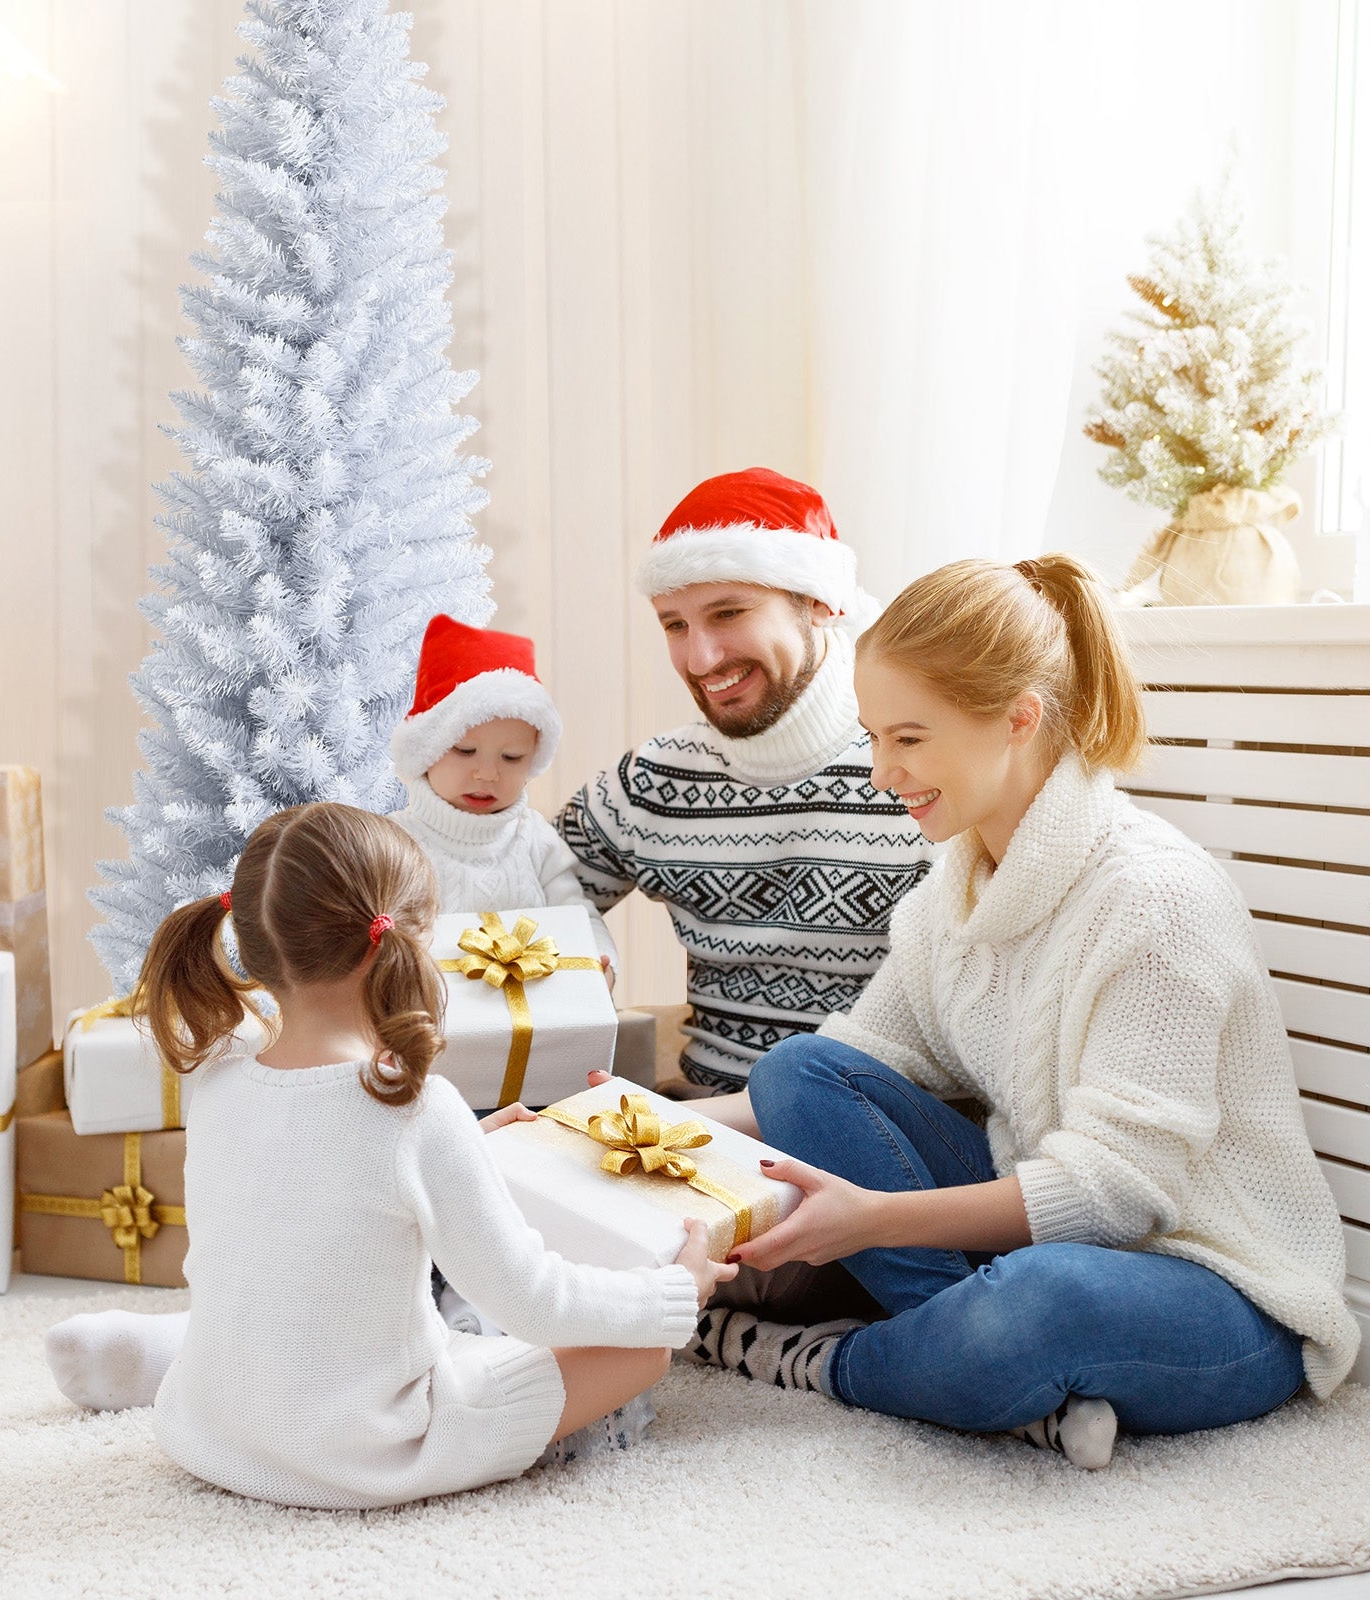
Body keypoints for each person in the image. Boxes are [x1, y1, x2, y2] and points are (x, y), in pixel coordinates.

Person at [677, 554, 1358, 1469]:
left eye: (909, 739)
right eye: (875, 737)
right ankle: (982, 1370)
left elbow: (1116, 1196)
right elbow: (861, 1061)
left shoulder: (1153, 901)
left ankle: (812, 1357)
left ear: (1018, 719)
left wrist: (874, 1220)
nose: (884, 774)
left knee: (1037, 1303)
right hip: (1045, 1226)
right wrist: (631, 1123)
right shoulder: (953, 887)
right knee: (795, 1070)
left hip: (1219, 1289)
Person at [43, 802, 733, 1510]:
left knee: (293, 1290)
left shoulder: (218, 1080)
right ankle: (191, 1358)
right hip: (367, 1453)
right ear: (401, 941)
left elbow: (306, 1193)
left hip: (208, 1428)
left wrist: (469, 1155)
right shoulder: (412, 1108)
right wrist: (677, 1291)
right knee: (640, 1352)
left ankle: (180, 1357)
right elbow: (532, 1300)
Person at [557, 467, 933, 1092]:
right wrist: (590, 956)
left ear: (819, 602)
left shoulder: (920, 767)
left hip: (872, 1141)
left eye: (728, 613)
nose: (700, 660)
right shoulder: (653, 780)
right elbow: (531, 886)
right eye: (674, 625)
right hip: (701, 1140)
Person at [387, 611, 617, 983]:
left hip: (534, 1019)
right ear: (426, 749)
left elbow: (578, 914)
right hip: (431, 1024)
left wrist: (597, 965)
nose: (488, 773)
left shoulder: (535, 837)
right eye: (464, 751)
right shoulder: (396, 842)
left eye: (511, 758)